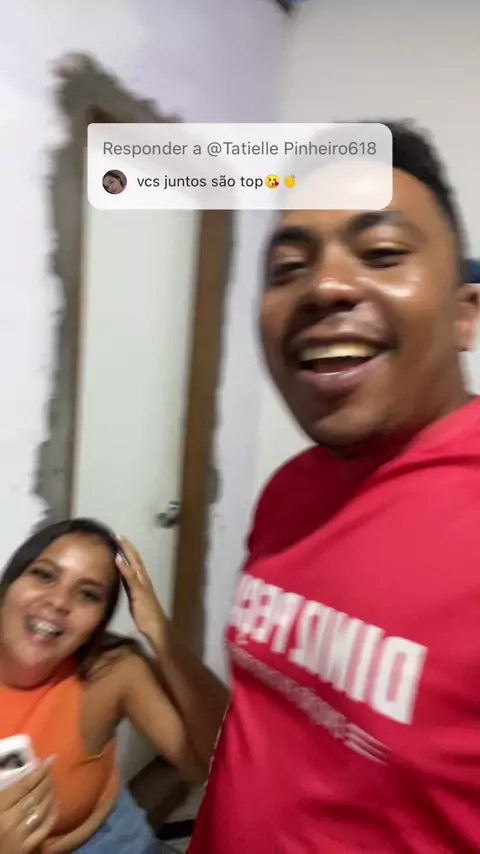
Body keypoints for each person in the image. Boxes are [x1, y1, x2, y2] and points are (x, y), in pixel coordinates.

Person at [186, 121, 480, 852]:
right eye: (289, 268)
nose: (323, 287)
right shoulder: (289, 490)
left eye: (381, 254)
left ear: (465, 313)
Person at [0, 518, 228, 853]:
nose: (59, 602)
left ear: (97, 625)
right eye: (45, 575)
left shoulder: (110, 671)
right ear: (9, 585)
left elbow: (221, 766)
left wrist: (158, 630)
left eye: (88, 594)